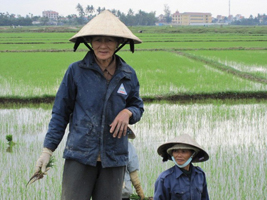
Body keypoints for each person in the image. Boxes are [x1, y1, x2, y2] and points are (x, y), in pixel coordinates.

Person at [33, 10, 144, 200]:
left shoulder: (128, 74)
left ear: (118, 44)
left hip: (114, 158)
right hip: (80, 155)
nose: (103, 46)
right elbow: (60, 113)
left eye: (109, 40)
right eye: (98, 40)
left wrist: (128, 112)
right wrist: (47, 150)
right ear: (90, 42)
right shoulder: (76, 72)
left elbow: (137, 106)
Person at [154, 134, 209, 200]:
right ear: (172, 154)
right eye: (175, 151)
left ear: (192, 154)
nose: (179, 155)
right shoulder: (164, 179)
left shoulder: (200, 175)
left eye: (184, 151)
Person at [122, 128, 145, 200]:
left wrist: (139, 191)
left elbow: (133, 172)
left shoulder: (128, 147)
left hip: (123, 194)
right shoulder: (102, 147)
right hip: (106, 192)